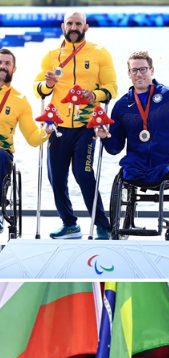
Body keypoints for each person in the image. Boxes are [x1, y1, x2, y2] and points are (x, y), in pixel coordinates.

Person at [33, 11, 117, 240]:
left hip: (85, 126)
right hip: (58, 127)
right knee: (56, 177)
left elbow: (112, 87)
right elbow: (38, 88)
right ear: (63, 26)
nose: (73, 26)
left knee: (84, 174)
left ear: (85, 27)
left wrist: (95, 94)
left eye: (78, 23)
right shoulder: (51, 55)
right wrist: (47, 85)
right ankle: (69, 224)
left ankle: (102, 225)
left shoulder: (100, 53)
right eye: (70, 23)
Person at [96, 51, 169, 190]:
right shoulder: (122, 106)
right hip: (136, 166)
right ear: (129, 73)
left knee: (167, 169)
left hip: (168, 163)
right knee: (124, 174)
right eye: (134, 70)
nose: (138, 74)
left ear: (151, 70)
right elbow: (115, 148)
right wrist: (106, 137)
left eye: (143, 69)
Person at [0, 48, 55, 234]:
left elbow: (32, 138)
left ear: (14, 69)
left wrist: (46, 131)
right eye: (0, 62)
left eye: (7, 63)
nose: (2, 66)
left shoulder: (19, 100)